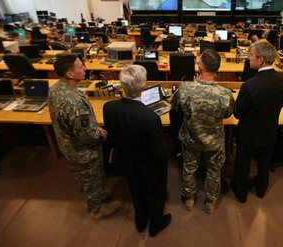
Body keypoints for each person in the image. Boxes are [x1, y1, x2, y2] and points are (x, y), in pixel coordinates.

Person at [48, 54, 121, 220]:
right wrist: (100, 135)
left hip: (68, 145)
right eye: (81, 66)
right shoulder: (74, 102)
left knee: (83, 176)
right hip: (83, 150)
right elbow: (85, 134)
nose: (85, 68)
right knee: (90, 177)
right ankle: (97, 209)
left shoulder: (56, 88)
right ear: (70, 75)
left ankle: (98, 194)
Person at [103, 65, 171, 237]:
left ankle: (140, 221)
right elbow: (158, 151)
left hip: (127, 160)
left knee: (135, 189)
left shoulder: (109, 108)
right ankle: (156, 224)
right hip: (149, 165)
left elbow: (112, 138)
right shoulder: (150, 117)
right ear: (143, 86)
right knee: (156, 192)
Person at [170, 49, 235, 214]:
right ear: (217, 69)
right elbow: (228, 113)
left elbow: (175, 106)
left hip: (191, 139)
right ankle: (210, 201)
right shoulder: (226, 94)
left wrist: (194, 85)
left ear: (200, 67)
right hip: (214, 141)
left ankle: (190, 199)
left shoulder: (186, 89)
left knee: (189, 168)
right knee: (214, 170)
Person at [232, 41, 283, 203]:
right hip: (270, 131)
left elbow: (237, 114)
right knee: (264, 162)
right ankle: (261, 189)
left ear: (261, 60)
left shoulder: (250, 86)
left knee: (243, 163)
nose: (248, 58)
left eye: (250, 55)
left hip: (248, 134)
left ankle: (241, 193)